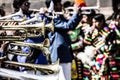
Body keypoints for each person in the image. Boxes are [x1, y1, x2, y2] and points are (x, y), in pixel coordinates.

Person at [44, 0, 82, 80]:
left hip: (63, 53)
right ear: (54, 6)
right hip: (60, 53)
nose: (61, 5)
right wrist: (75, 13)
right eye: (59, 4)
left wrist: (78, 14)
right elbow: (68, 26)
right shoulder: (52, 17)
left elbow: (71, 25)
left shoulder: (58, 16)